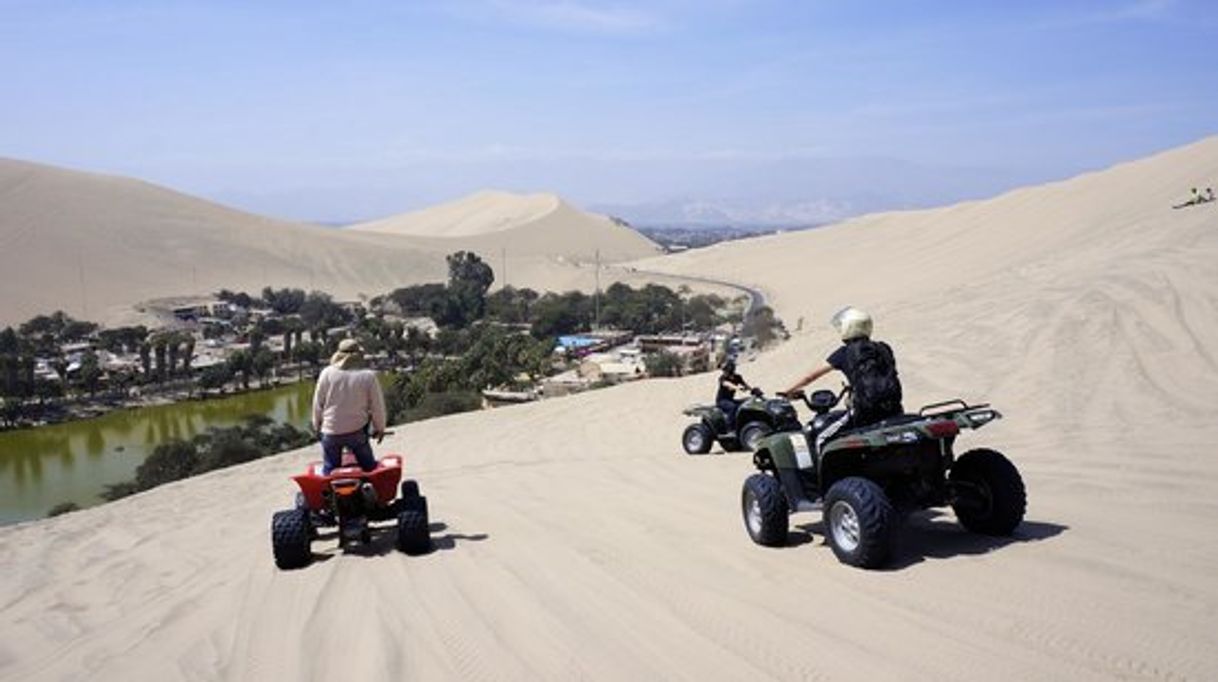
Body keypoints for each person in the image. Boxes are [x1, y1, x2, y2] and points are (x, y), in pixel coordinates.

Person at [782, 307, 903, 454]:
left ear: (848, 328)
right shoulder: (884, 348)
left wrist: (787, 391)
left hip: (864, 413)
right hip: (895, 409)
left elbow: (810, 377)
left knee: (820, 439)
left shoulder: (845, 352)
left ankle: (822, 476)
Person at [311, 338, 387, 474]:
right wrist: (379, 428)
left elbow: (318, 404)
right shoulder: (368, 376)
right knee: (370, 468)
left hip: (330, 432)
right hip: (357, 432)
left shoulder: (326, 373)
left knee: (329, 470)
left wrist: (317, 427)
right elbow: (377, 407)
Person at [716, 357, 751, 430]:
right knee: (733, 407)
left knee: (747, 402)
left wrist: (752, 389)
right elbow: (727, 384)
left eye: (725, 370)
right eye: (724, 370)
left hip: (730, 399)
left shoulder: (738, 377)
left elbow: (745, 385)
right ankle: (730, 427)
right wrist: (737, 388)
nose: (724, 372)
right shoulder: (722, 378)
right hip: (722, 401)